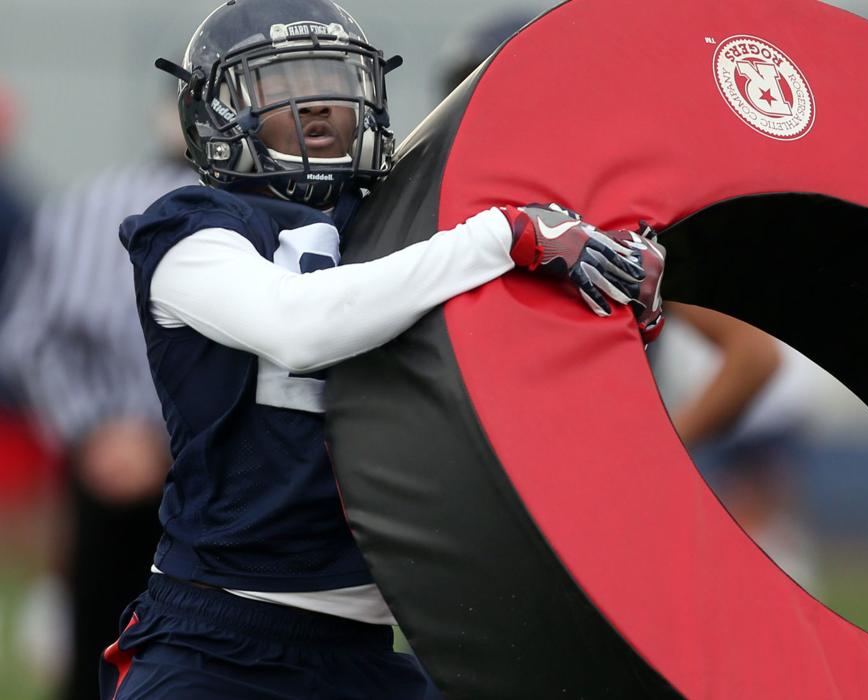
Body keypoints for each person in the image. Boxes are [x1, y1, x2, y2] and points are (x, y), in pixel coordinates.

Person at [99, 1, 664, 698]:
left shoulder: (400, 223)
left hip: (371, 644)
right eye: (280, 84)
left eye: (334, 80)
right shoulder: (190, 231)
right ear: (215, 112)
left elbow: (503, 347)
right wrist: (498, 238)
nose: (318, 104)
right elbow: (296, 325)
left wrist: (612, 292)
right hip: (219, 641)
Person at [0, 93, 194, 699]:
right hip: (202, 474)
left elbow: (26, 342)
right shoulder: (263, 214)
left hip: (106, 464)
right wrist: (145, 437)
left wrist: (97, 434)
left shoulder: (82, 203)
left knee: (101, 646)